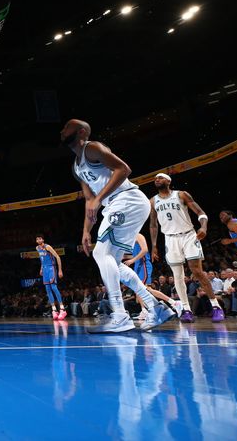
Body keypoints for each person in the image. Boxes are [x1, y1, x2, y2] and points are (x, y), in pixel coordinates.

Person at [61, 119, 173, 333]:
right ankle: (156, 307)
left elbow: (124, 169)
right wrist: (86, 230)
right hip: (118, 205)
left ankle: (120, 316)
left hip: (126, 199)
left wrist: (100, 198)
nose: (62, 130)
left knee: (101, 255)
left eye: (67, 127)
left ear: (81, 131)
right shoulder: (76, 167)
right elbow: (89, 200)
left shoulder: (92, 148)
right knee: (114, 263)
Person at [149, 173, 224, 322]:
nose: (157, 180)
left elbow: (200, 212)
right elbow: (153, 224)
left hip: (189, 235)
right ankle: (186, 309)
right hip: (170, 239)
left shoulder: (181, 195)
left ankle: (216, 307)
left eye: (161, 178)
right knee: (177, 275)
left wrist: (203, 227)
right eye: (156, 178)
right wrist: (154, 245)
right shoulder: (152, 201)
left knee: (197, 271)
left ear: (168, 181)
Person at [122, 233, 183, 321]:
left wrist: (132, 260)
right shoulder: (130, 239)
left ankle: (174, 303)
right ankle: (145, 311)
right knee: (140, 290)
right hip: (138, 265)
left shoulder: (138, 235)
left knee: (143, 289)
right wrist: (125, 257)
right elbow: (135, 254)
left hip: (143, 266)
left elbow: (145, 250)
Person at [36, 235, 67, 320]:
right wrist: (41, 268)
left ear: (43, 239)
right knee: (48, 289)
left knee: (54, 287)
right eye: (37, 239)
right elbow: (42, 259)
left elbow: (58, 257)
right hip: (45, 269)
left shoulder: (48, 247)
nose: (38, 240)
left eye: (40, 238)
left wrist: (60, 270)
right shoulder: (37, 248)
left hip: (51, 268)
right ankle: (54, 310)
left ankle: (62, 309)